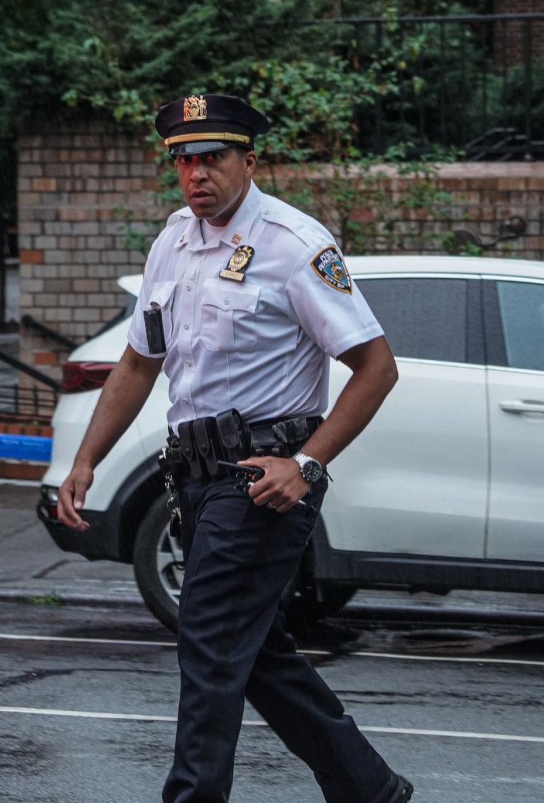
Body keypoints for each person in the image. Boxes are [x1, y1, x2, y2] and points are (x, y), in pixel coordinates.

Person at [56, 93, 412, 803]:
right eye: (183, 160)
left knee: (211, 642)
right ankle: (366, 786)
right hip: (193, 475)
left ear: (249, 160)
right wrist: (87, 457)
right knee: (250, 650)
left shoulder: (293, 244)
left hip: (260, 478)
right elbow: (137, 362)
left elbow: (377, 367)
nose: (196, 174)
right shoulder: (174, 243)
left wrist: (307, 463)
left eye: (212, 157)